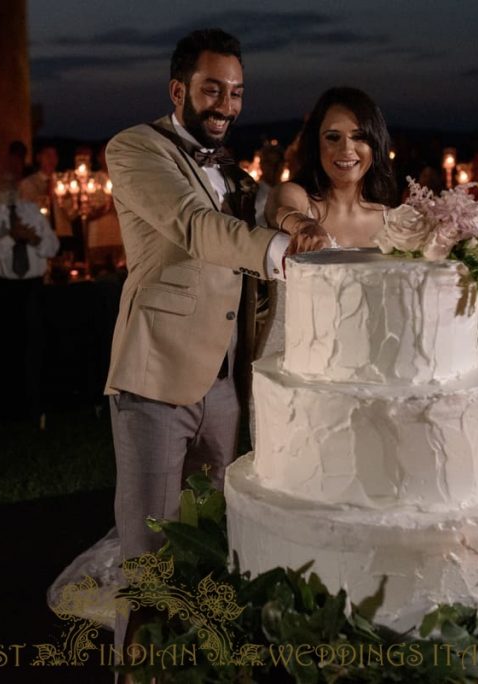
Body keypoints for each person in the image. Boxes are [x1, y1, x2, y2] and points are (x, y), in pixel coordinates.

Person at [99, 28, 325, 654]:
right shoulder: (135, 149)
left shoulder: (231, 167)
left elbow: (265, 200)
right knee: (149, 557)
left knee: (209, 544)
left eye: (237, 92)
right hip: (155, 378)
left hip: (225, 386)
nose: (227, 104)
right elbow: (196, 228)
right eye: (212, 90)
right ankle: (136, 669)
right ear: (178, 89)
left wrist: (290, 214)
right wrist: (279, 249)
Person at [256, 86, 401, 363]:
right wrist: (304, 225)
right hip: (290, 365)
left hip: (368, 369)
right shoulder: (298, 196)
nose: (346, 149)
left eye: (359, 137)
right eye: (333, 137)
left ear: (375, 143)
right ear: (316, 144)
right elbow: (279, 207)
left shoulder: (393, 222)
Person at [0, 168, 59, 426]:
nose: (9, 184)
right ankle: (10, 414)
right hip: (4, 289)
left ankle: (36, 409)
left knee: (36, 348)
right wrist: (12, 237)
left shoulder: (31, 211)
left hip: (32, 287)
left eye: (13, 180)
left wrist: (33, 239)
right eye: (3, 180)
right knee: (7, 352)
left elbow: (53, 246)